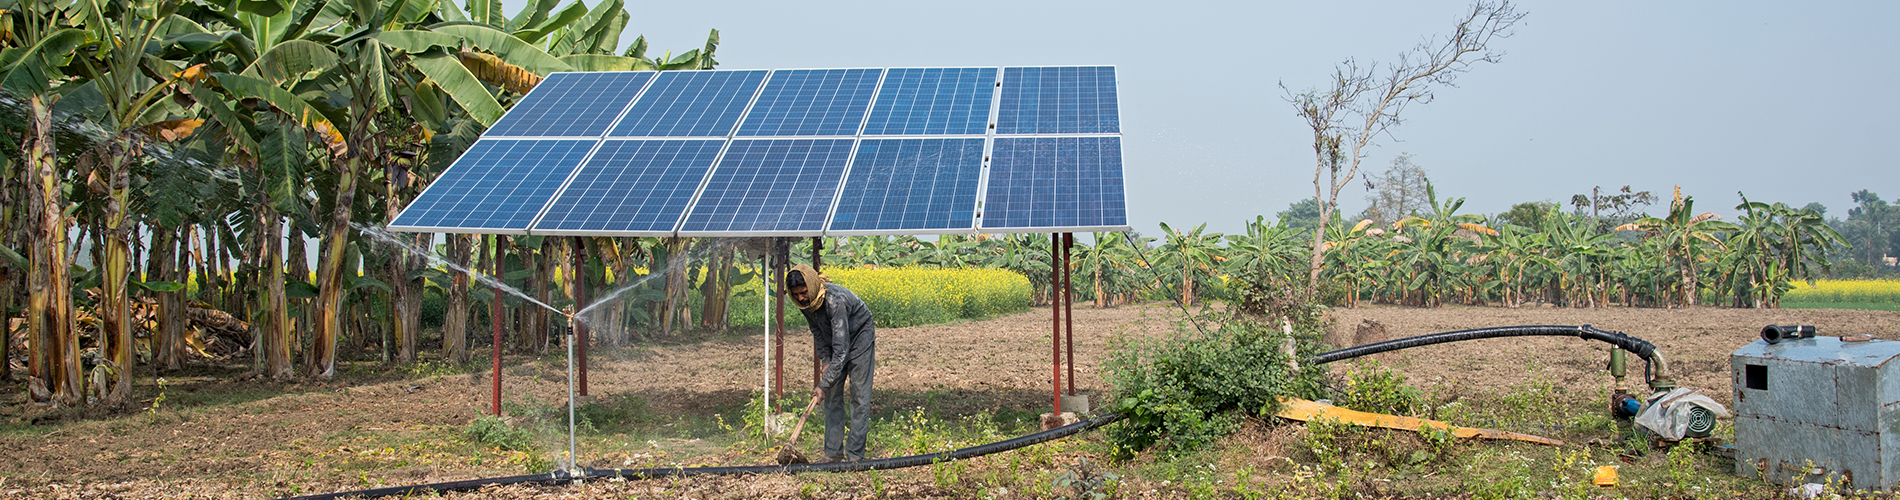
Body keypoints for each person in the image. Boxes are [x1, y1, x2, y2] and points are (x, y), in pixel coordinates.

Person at [787, 264, 875, 462]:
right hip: (836, 340)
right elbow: (817, 332)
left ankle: (855, 455)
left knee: (859, 395)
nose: (800, 298)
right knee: (832, 397)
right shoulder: (805, 303)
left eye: (803, 292)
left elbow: (842, 350)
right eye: (796, 294)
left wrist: (822, 384)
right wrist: (826, 360)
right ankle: (833, 453)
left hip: (859, 337)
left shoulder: (835, 301)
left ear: (811, 285)